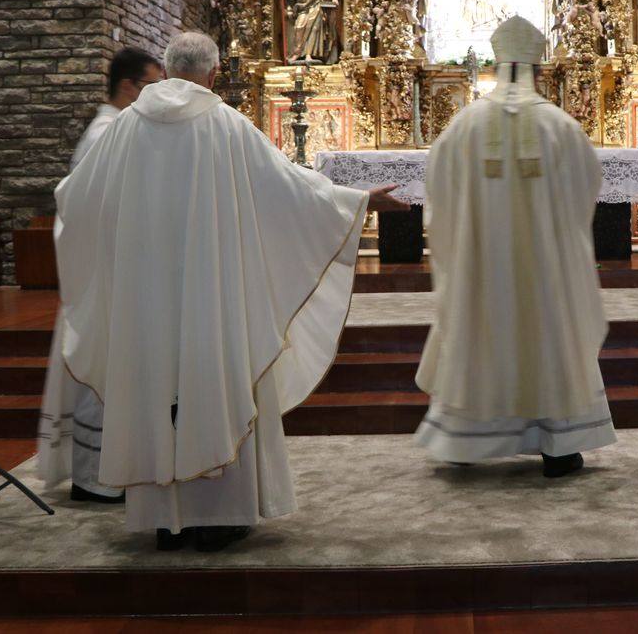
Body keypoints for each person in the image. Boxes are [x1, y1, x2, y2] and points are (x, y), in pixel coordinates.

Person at [54, 31, 407, 551]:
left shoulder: (124, 128)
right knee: (212, 382)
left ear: (170, 72)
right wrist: (360, 203)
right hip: (210, 296)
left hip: (146, 300)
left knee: (157, 385)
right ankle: (215, 516)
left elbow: (73, 198)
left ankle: (163, 519)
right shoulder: (225, 125)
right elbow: (291, 191)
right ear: (214, 73)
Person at [414, 16, 615, 478]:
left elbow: (438, 194)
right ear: (536, 69)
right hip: (543, 267)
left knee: (475, 328)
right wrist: (554, 231)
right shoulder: (560, 126)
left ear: (498, 64)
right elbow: (586, 191)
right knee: (548, 332)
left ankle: (463, 442)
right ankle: (559, 446)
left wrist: (465, 238)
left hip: (479, 267)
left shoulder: (464, 125)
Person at [37, 47, 164, 504]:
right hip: (106, 277)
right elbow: (96, 210)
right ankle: (95, 479)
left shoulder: (114, 131)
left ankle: (107, 473)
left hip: (115, 272)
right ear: (130, 86)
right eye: (154, 84)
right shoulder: (108, 134)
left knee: (112, 371)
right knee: (102, 372)